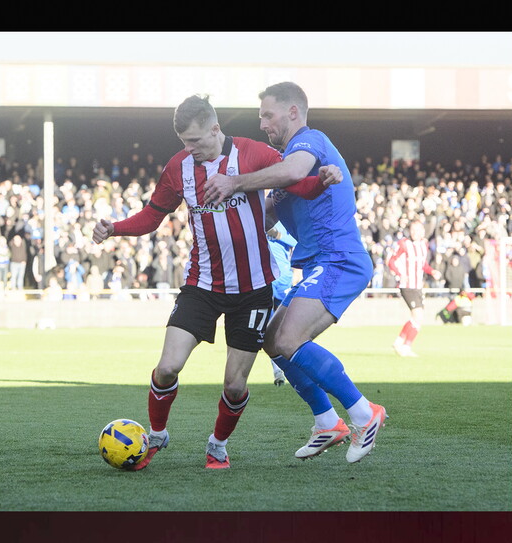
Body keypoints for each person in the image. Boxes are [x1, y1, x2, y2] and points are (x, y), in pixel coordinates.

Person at [92, 94, 339, 470]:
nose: (189, 150)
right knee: (167, 368)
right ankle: (157, 433)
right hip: (202, 285)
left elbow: (295, 181)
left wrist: (319, 182)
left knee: (234, 386)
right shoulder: (179, 167)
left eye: (195, 141)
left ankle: (218, 444)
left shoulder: (251, 153)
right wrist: (115, 228)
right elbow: (152, 216)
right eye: (184, 143)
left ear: (215, 129)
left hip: (254, 290)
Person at [203, 81, 387, 464]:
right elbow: (265, 212)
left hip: (339, 259)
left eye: (267, 115)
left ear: (292, 112)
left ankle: (364, 414)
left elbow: (294, 171)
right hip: (317, 265)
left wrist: (235, 181)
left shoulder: (310, 142)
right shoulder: (285, 166)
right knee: (271, 339)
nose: (263, 124)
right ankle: (327, 422)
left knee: (288, 338)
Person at [386, 219, 440, 357]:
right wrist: (400, 274)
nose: (415, 233)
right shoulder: (403, 244)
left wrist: (432, 271)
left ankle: (399, 342)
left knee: (416, 317)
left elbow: (422, 264)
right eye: (413, 230)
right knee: (418, 316)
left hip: (418, 285)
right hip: (407, 285)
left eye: (418, 230)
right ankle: (406, 346)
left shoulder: (424, 244)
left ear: (423, 231)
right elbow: (391, 261)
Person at [265, 221, 297, 386]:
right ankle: (277, 370)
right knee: (268, 327)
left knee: (288, 326)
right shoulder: (258, 218)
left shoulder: (286, 220)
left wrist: (278, 234)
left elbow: (297, 242)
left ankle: (296, 366)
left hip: (283, 278)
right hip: (264, 279)